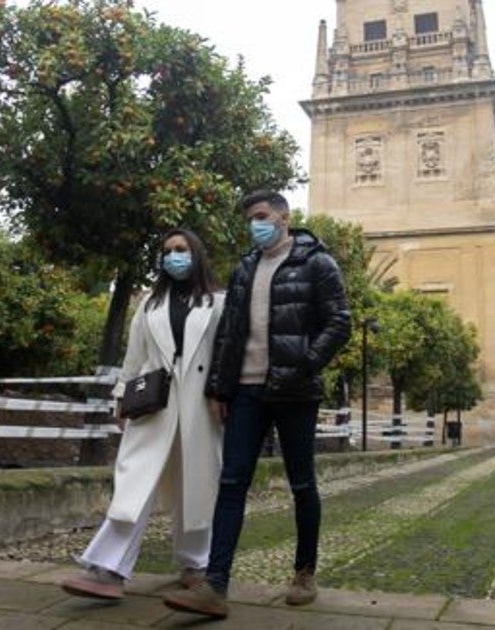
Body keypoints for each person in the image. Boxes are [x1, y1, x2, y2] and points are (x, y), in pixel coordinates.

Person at [163, 190, 351, 618]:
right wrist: (218, 388)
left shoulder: (317, 261)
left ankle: (305, 572)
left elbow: (339, 321)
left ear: (285, 217)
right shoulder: (246, 266)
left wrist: (303, 364)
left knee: (302, 483)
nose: (255, 224)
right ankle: (215, 585)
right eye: (250, 218)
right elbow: (229, 332)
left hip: (295, 390)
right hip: (246, 391)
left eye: (262, 216)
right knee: (231, 484)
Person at [60, 229, 225, 600]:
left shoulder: (219, 302)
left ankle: (196, 564)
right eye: (167, 251)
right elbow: (134, 355)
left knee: (196, 485)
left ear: (196, 254)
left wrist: (223, 395)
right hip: (154, 404)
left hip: (201, 406)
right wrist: (121, 395)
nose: (173, 257)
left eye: (181, 250)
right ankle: (108, 568)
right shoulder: (151, 302)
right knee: (135, 481)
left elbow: (226, 355)